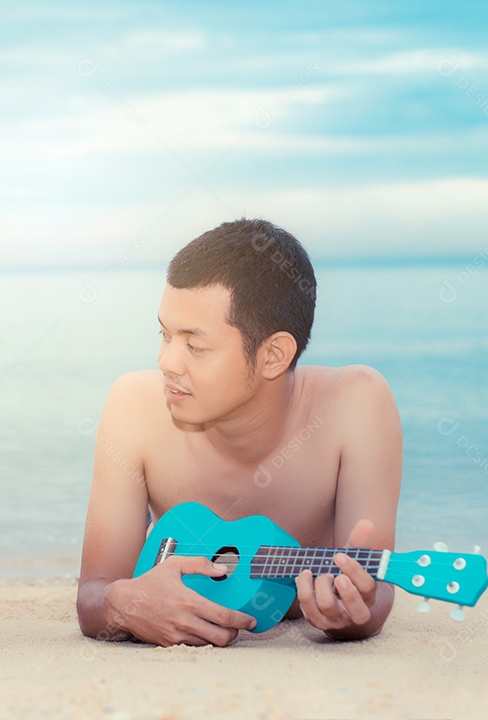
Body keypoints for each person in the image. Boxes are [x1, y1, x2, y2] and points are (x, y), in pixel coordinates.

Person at [77, 219, 402, 647]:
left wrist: (352, 616)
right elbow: (93, 594)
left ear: (274, 355)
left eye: (195, 346)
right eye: (165, 334)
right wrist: (125, 605)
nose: (167, 361)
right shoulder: (133, 406)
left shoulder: (354, 403)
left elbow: (375, 592)